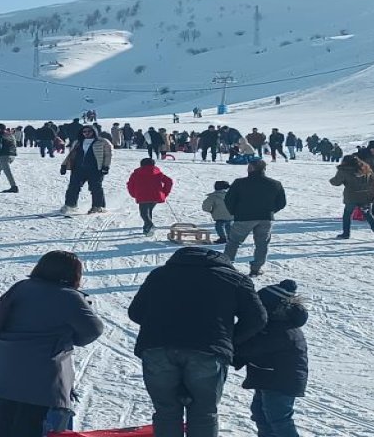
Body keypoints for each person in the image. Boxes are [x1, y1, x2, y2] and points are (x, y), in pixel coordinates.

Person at [128, 247, 267, 437]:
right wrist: (228, 340)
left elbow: (135, 312)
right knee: (204, 413)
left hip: (158, 349)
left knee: (166, 411)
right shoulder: (235, 279)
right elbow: (257, 319)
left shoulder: (159, 275)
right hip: (208, 352)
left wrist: (160, 328)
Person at [0, 251, 103, 437]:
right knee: (30, 424)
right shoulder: (69, 297)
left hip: (2, 364)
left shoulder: (21, 287)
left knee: (6, 420)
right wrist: (71, 339)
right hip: (39, 372)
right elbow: (94, 330)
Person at [232, 280, 309, 437]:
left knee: (279, 419)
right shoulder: (271, 325)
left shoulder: (282, 330)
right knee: (260, 413)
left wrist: (233, 352)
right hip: (268, 377)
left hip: (281, 381)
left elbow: (254, 349)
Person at [223, 160, 287, 277]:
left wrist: (234, 212)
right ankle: (256, 268)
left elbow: (229, 200)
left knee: (234, 242)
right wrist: (270, 211)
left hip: (244, 217)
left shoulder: (239, 183)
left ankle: (226, 266)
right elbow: (281, 203)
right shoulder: (275, 184)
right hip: (265, 218)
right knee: (262, 244)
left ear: (251, 168)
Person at [60, 124, 113, 215]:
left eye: (89, 131)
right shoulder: (78, 142)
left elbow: (108, 155)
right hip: (78, 168)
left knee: (95, 188)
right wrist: (64, 165)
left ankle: (98, 206)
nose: (87, 133)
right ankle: (70, 205)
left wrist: (106, 166)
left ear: (94, 132)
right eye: (84, 132)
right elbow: (71, 155)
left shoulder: (102, 142)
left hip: (95, 169)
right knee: (73, 187)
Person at [328, 155, 374, 241]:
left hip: (351, 196)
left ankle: (346, 233)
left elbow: (336, 182)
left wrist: (331, 180)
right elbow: (372, 181)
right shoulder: (366, 169)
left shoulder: (344, 170)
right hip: (365, 196)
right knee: (368, 215)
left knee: (347, 215)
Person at [127, 158, 174, 236]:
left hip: (142, 196)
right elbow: (169, 181)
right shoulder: (158, 173)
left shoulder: (136, 173)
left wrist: (133, 194)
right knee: (148, 211)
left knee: (144, 213)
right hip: (155, 196)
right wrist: (164, 193)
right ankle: (147, 229)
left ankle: (150, 225)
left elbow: (130, 185)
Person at [201, 180, 234, 245]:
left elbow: (206, 206)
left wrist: (210, 210)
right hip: (231, 215)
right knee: (229, 226)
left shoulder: (213, 196)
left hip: (220, 215)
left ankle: (223, 238)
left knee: (219, 226)